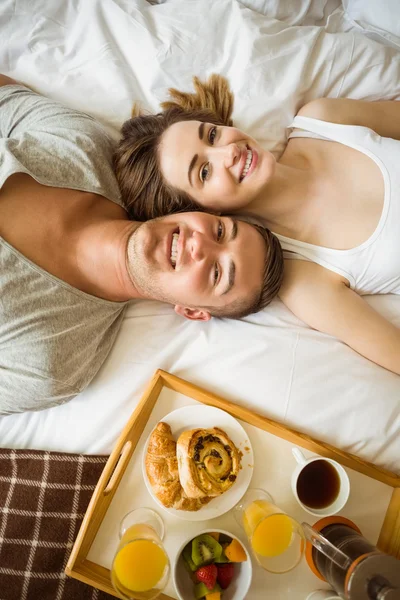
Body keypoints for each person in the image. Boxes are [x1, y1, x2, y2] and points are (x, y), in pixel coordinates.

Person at [0, 74, 283, 415]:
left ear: (192, 311)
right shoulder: (83, 147)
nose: (200, 247)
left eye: (216, 273)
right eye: (220, 232)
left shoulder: (53, 363)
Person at [113, 74, 400, 375]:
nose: (229, 152)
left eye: (212, 136)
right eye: (205, 172)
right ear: (200, 211)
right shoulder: (304, 278)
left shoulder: (323, 120)